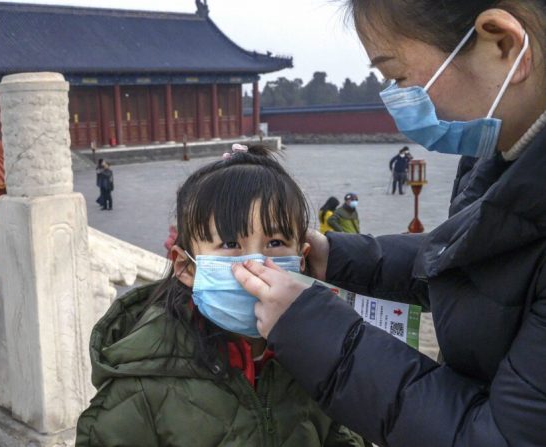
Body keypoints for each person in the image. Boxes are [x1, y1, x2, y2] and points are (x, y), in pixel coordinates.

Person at [232, 2, 546, 446]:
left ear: (504, 45)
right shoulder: (498, 152)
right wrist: (334, 255)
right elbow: (472, 264)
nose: (396, 100)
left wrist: (314, 330)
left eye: (397, 76)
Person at [76, 144, 366, 446]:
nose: (254, 266)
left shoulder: (322, 362)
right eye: (230, 243)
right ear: (186, 266)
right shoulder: (140, 385)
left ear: (302, 259)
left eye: (275, 242)